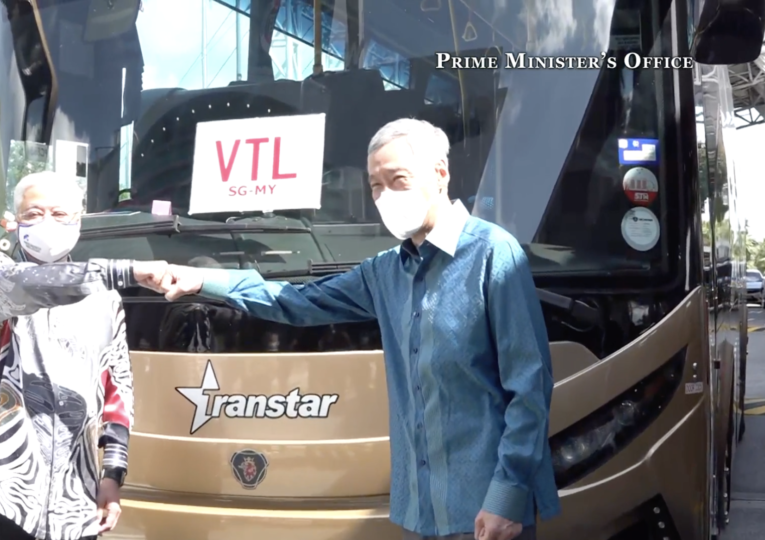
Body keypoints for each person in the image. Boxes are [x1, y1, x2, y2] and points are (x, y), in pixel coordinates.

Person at [131, 118, 561, 540]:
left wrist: (506, 496)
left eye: (398, 180)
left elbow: (530, 388)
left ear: (441, 174)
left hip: (487, 509)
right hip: (426, 509)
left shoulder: (492, 254)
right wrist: (203, 280)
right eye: (376, 186)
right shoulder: (385, 271)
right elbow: (295, 301)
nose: (385, 196)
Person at [0, 170, 167, 540]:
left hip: (78, 496)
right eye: (33, 213)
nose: (46, 223)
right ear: (14, 222)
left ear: (78, 221)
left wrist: (112, 474)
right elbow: (28, 286)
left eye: (59, 214)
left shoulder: (104, 299)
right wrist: (126, 270)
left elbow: (117, 389)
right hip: (3, 493)